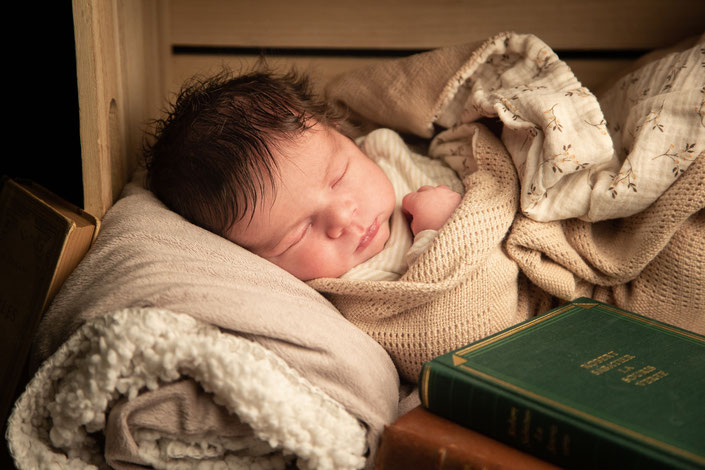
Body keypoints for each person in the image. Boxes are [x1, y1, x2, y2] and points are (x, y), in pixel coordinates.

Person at [145, 69, 464, 282]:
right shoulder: (356, 287)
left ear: (340, 131)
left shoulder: (385, 150)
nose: (341, 216)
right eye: (297, 234)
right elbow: (431, 315)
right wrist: (442, 233)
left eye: (339, 176)